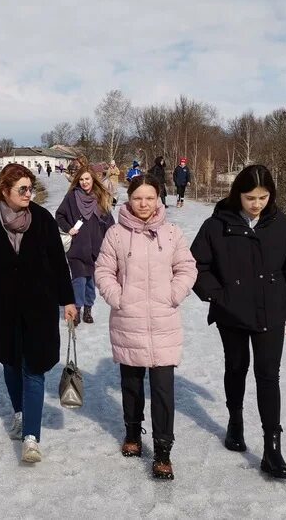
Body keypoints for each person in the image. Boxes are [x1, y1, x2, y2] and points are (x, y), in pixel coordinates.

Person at [189, 164, 286, 480]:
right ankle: (235, 423)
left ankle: (272, 449)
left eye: (263, 197)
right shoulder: (216, 225)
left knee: (268, 374)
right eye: (250, 197)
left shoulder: (283, 227)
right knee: (236, 367)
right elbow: (196, 265)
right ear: (237, 194)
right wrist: (217, 295)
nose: (256, 204)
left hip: (272, 311)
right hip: (232, 312)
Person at [0, 163, 77, 464]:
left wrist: (68, 300)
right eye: (22, 189)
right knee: (10, 364)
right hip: (4, 308)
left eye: (31, 188)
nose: (28, 193)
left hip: (40, 308)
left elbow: (59, 264)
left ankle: (31, 438)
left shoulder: (43, 220)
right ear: (5, 191)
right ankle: (20, 414)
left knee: (33, 369)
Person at [95, 174, 197, 480]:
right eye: (138, 198)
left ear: (158, 199)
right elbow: (103, 270)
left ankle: (163, 450)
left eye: (149, 198)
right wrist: (118, 297)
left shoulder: (171, 233)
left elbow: (187, 267)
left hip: (164, 323)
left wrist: (173, 294)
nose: (144, 204)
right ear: (129, 199)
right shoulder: (115, 234)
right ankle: (133, 434)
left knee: (164, 389)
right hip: (129, 321)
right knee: (131, 384)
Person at [56, 166, 115, 326]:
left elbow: (109, 221)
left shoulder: (99, 197)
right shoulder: (71, 197)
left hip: (96, 247)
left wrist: (111, 241)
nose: (84, 182)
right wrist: (69, 228)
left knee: (90, 281)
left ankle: (88, 309)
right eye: (81, 179)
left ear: (93, 179)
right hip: (77, 247)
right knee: (79, 279)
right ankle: (76, 310)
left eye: (87, 179)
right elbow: (59, 215)